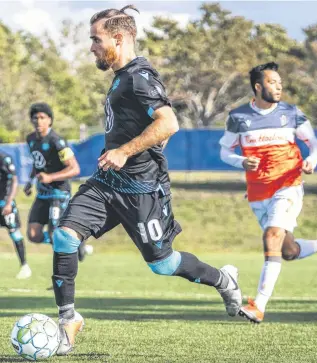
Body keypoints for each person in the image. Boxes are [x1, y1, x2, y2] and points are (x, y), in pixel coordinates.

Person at [52, 4, 242, 356]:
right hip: (107, 184)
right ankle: (68, 320)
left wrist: (125, 151)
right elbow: (155, 126)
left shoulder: (139, 76)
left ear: (119, 38)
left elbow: (169, 123)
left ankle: (224, 280)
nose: (91, 46)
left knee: (163, 264)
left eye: (96, 39)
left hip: (143, 191)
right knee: (64, 236)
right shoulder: (121, 77)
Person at [219, 62, 317, 323]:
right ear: (258, 86)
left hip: (288, 184)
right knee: (288, 251)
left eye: (280, 82)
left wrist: (311, 160)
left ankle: (258, 305)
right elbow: (225, 152)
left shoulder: (291, 113)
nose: (279, 86)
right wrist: (240, 161)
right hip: (257, 191)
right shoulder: (238, 117)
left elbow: (314, 144)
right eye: (273, 82)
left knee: (272, 236)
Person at [24, 103, 90, 260]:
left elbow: (75, 169)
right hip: (42, 193)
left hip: (58, 193)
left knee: (56, 235)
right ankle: (74, 241)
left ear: (50, 120)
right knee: (33, 235)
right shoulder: (31, 139)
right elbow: (38, 162)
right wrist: (29, 181)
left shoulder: (57, 141)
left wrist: (51, 177)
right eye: (35, 118)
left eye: (42, 117)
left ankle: (60, 280)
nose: (38, 121)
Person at [0, 151, 31, 279]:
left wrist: (8, 203)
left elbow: (14, 181)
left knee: (14, 233)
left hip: (5, 203)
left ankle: (24, 266)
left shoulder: (5, 158)